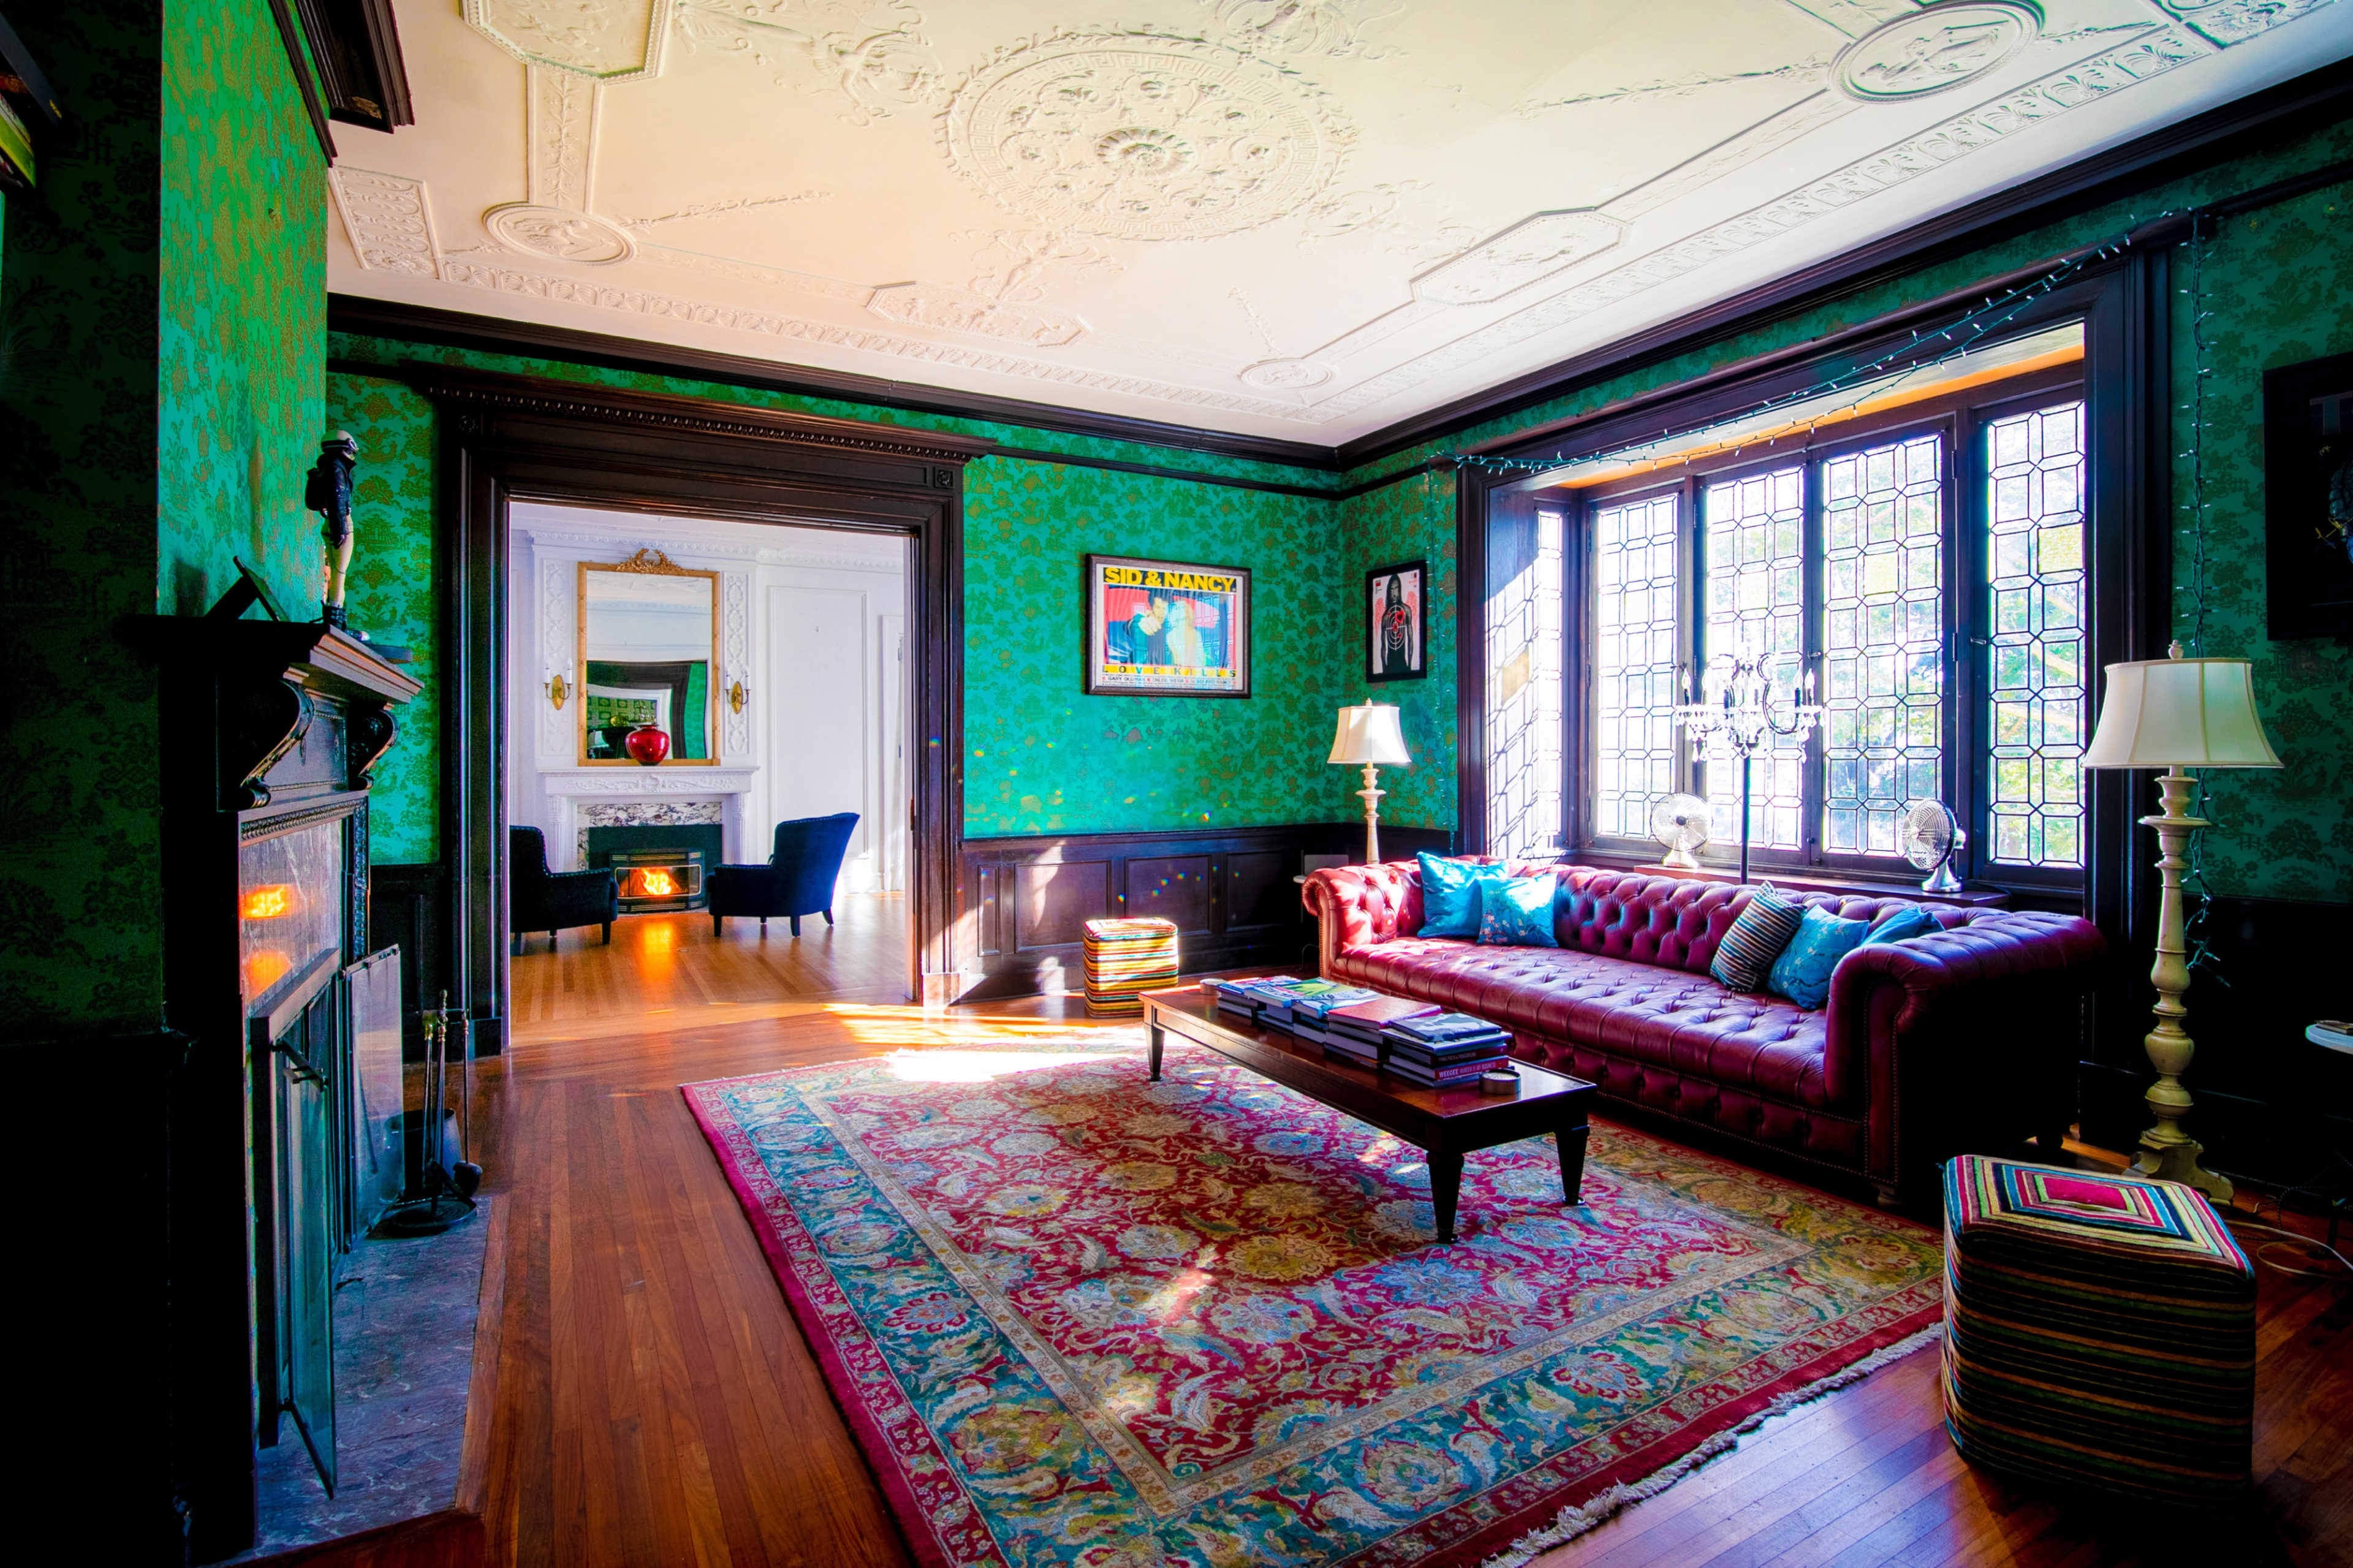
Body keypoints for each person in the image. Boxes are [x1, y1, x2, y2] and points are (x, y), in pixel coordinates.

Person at [1378, 574, 1415, 675]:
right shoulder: (1386, 616)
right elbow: (1383, 645)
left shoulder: (1406, 610)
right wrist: (1384, 668)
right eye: (1391, 590)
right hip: (1390, 666)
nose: (1393, 594)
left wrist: (1410, 666)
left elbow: (1410, 639)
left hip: (1403, 664)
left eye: (1396, 589)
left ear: (1400, 590)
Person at [1165, 597, 1209, 668]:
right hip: (1179, 672)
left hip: (1195, 671)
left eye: (1183, 608)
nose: (1181, 611)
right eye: (1178, 608)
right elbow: (1175, 658)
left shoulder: (1196, 634)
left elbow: (1201, 656)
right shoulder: (1170, 636)